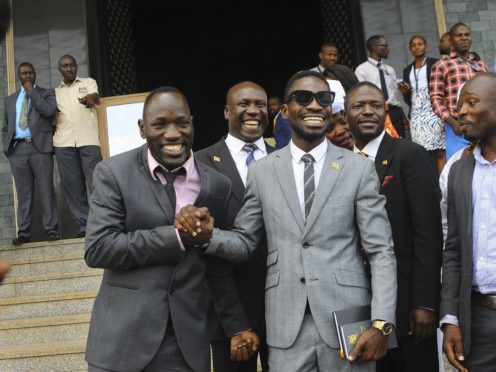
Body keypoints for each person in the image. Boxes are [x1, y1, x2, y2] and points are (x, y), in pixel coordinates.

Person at [177, 70, 397, 371]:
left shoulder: (358, 169)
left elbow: (381, 250)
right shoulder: (263, 171)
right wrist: (207, 236)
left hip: (348, 320)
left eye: (324, 99)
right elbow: (245, 241)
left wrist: (382, 323)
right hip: (285, 324)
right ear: (284, 110)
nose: (315, 106)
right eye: (303, 98)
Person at [84, 86, 258, 371]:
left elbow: (218, 268)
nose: (173, 134)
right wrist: (176, 237)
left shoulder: (217, 185)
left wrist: (236, 325)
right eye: (160, 124)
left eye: (182, 123)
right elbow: (98, 248)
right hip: (120, 343)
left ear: (192, 124)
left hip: (186, 346)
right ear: (142, 129)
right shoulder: (113, 172)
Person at [345, 82, 443, 372]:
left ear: (385, 111)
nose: (367, 111)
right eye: (358, 106)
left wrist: (425, 302)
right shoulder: (340, 164)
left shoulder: (409, 154)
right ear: (345, 114)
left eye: (375, 105)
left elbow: (428, 233)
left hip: (408, 308)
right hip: (359, 306)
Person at [196, 81, 273, 372]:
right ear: (227, 111)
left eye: (260, 104)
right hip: (230, 315)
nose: (253, 111)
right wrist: (235, 324)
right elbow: (207, 248)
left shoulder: (287, 157)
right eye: (244, 104)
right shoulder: (201, 162)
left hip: (288, 311)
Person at [440, 72, 496, 372]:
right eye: (459, 104)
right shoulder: (457, 170)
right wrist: (450, 317)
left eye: (471, 102)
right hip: (478, 320)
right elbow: (453, 250)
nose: (460, 111)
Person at [2, 62, 60, 245]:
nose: (27, 76)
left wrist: (32, 92)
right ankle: (24, 233)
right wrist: (7, 147)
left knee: (46, 190)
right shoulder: (10, 100)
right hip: (17, 150)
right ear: (19, 76)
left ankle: (51, 230)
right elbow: (5, 127)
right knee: (23, 192)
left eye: (30, 73)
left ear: (35, 74)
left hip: (39, 147)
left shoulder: (46, 93)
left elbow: (49, 111)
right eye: (23, 73)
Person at [54, 54, 103, 238]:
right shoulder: (55, 92)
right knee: (73, 188)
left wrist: (91, 98)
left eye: (71, 65)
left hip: (88, 141)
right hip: (64, 144)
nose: (69, 68)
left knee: (96, 184)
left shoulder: (89, 82)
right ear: (59, 69)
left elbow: (96, 98)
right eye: (65, 66)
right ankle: (84, 227)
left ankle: (102, 224)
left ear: (76, 66)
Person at [429, 23, 489, 161]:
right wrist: (452, 122)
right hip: (457, 128)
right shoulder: (442, 65)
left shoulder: (480, 65)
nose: (464, 38)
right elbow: (435, 98)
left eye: (467, 35)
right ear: (451, 40)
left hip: (483, 126)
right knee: (459, 167)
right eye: (459, 35)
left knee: (487, 166)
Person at [402, 35, 445, 173]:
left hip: (434, 112)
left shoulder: (436, 63)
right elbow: (409, 100)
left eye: (420, 44)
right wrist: (404, 93)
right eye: (413, 45)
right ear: (410, 49)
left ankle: (443, 187)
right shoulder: (407, 70)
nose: (417, 47)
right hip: (417, 116)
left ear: (426, 47)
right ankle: (430, 186)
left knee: (439, 151)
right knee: (422, 153)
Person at [355, 35, 409, 138]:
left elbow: (395, 96)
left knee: (401, 144)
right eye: (385, 46)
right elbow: (362, 95)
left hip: (395, 112)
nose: (388, 49)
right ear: (374, 47)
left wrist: (402, 116)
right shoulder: (361, 70)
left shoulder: (389, 69)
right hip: (377, 113)